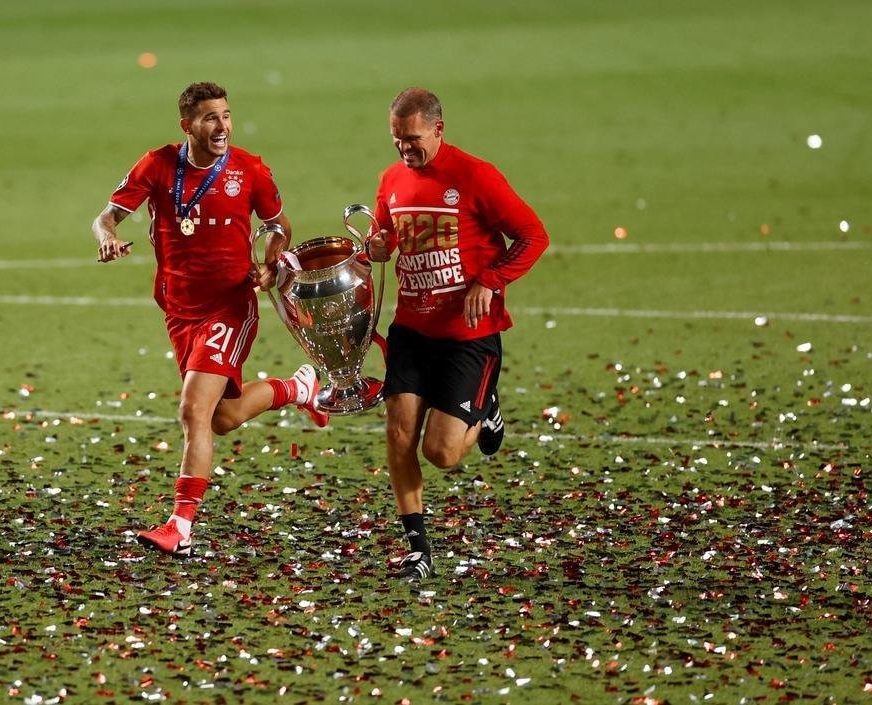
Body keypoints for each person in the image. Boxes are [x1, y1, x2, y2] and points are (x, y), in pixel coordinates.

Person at [92, 81, 328, 558]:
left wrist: (270, 260)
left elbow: (280, 225)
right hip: (178, 309)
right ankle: (297, 389)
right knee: (221, 418)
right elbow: (106, 216)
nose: (221, 126)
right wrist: (106, 237)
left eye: (225, 115)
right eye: (209, 118)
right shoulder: (157, 165)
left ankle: (180, 526)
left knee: (192, 411)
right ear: (187, 126)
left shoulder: (249, 169)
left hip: (229, 305)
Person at [365, 87, 550, 580]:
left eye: (413, 139)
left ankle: (486, 408)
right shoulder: (391, 180)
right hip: (411, 329)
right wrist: (378, 245)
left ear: (439, 130)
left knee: (441, 452)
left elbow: (534, 236)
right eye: (397, 140)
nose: (405, 149)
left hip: (468, 335)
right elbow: (384, 238)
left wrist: (491, 281)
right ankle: (418, 549)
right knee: (399, 434)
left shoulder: (475, 175)